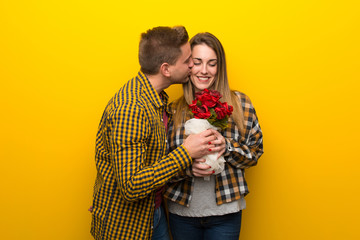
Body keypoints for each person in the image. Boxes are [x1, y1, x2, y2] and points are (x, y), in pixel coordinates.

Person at [90, 26, 224, 240]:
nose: (193, 65)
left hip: (155, 214)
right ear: (166, 69)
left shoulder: (155, 100)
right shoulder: (131, 109)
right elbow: (131, 186)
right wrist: (186, 153)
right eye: (188, 60)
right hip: (128, 227)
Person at [164, 32, 264, 240]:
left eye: (212, 63)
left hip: (225, 213)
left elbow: (255, 153)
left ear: (220, 68)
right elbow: (159, 167)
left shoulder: (240, 104)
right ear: (188, 66)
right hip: (182, 213)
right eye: (197, 62)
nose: (204, 70)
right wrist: (187, 168)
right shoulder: (173, 110)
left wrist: (226, 147)